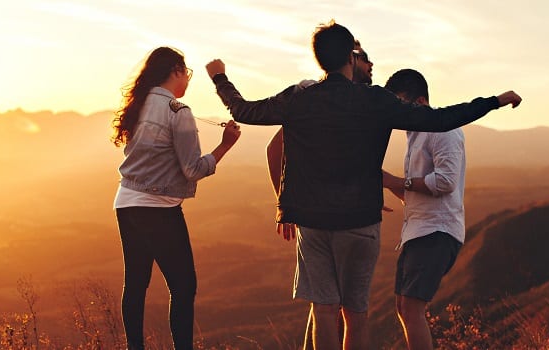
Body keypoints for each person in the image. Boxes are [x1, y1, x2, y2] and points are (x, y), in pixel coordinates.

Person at [206, 20, 521, 349]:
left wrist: (219, 77)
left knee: (324, 309)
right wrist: (493, 101)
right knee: (355, 314)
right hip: (360, 220)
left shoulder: (299, 99)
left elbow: (243, 110)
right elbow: (439, 119)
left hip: (311, 221)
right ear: (351, 58)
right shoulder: (375, 101)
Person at [111, 46, 241, 350]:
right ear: (176, 72)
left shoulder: (139, 105)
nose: (188, 80)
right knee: (183, 287)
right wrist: (225, 146)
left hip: (125, 202)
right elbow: (193, 169)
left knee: (136, 284)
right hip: (159, 209)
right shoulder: (178, 113)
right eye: (187, 73)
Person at [265, 39, 374, 350]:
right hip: (323, 218)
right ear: (350, 60)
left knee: (326, 305)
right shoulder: (313, 95)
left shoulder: (355, 101)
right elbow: (275, 148)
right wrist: (285, 204)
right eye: (365, 59)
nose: (370, 66)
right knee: (333, 307)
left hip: (334, 215)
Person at [381, 68, 466, 350]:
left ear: (418, 102)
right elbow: (414, 195)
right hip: (419, 231)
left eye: (400, 105)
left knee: (412, 306)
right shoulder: (415, 135)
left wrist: (393, 180)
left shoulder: (444, 129)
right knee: (404, 307)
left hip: (437, 231)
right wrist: (384, 181)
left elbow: (445, 182)